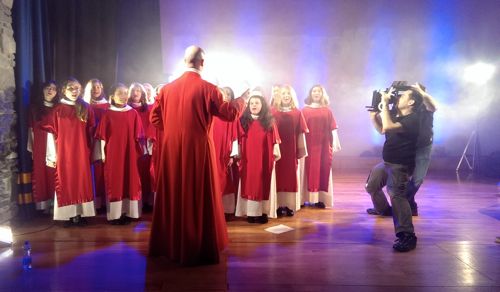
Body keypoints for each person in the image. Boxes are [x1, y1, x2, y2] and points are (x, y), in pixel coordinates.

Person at [148, 45, 247, 265]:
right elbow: (229, 114)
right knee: (199, 193)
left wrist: (175, 128)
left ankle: (172, 245)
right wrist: (242, 99)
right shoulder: (209, 88)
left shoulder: (166, 89)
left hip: (172, 148)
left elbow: (154, 119)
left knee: (174, 192)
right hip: (199, 148)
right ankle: (199, 246)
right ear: (202, 63)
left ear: (184, 61)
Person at [365, 86, 423, 252]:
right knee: (372, 185)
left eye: (403, 96)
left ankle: (407, 235)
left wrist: (384, 102)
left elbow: (389, 126)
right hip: (387, 162)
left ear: (411, 102)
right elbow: (383, 130)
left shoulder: (413, 119)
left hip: (400, 165)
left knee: (397, 195)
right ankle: (383, 210)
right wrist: (373, 116)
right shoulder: (398, 116)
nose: (397, 97)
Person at [43, 78, 96, 226]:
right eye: (71, 88)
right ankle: (68, 215)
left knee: (81, 183)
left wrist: (92, 152)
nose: (74, 91)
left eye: (77, 88)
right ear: (64, 90)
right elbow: (51, 134)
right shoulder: (57, 110)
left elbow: (91, 133)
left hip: (81, 153)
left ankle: (81, 214)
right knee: (66, 182)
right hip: (64, 153)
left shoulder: (86, 108)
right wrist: (52, 155)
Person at [95, 83, 144, 225]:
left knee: (130, 181)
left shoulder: (132, 113)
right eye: (119, 93)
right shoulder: (108, 114)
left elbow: (139, 136)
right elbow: (102, 136)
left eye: (125, 93)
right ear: (112, 96)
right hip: (113, 154)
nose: (123, 96)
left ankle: (130, 212)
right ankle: (115, 215)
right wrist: (102, 155)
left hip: (130, 154)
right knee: (115, 182)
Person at [235, 92, 281, 223]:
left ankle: (263, 212)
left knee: (263, 182)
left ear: (263, 106)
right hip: (247, 159)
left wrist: (275, 153)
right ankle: (250, 212)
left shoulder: (269, 122)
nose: (254, 105)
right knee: (249, 182)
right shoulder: (243, 121)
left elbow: (275, 142)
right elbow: (238, 140)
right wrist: (238, 154)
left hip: (264, 159)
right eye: (251, 103)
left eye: (257, 103)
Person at [300, 85, 341, 208]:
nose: (316, 93)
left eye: (318, 91)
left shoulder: (327, 111)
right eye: (314, 91)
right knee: (306, 170)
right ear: (310, 94)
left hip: (323, 145)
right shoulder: (304, 110)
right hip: (308, 145)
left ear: (322, 94)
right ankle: (303, 198)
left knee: (322, 170)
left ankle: (319, 199)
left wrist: (335, 143)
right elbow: (300, 129)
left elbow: (333, 127)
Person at [272, 85, 308, 217]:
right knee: (278, 177)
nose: (286, 96)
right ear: (279, 96)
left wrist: (300, 151)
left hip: (291, 150)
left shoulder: (297, 113)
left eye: (288, 93)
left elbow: (300, 134)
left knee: (290, 177)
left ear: (292, 96)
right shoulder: (273, 112)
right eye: (283, 94)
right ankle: (276, 205)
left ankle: (288, 205)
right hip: (277, 150)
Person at [405, 83, 437, 216]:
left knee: (418, 178)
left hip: (423, 146)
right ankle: (410, 206)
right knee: (404, 177)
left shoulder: (426, 107)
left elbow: (434, 106)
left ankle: (404, 203)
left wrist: (420, 92)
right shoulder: (409, 107)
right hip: (408, 145)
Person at [27, 81, 58, 211]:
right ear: (42, 90)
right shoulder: (34, 108)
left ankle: (55, 204)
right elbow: (31, 129)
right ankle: (44, 205)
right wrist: (33, 148)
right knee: (42, 174)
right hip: (40, 144)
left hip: (56, 145)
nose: (50, 91)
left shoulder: (58, 108)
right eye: (47, 88)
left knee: (54, 174)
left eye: (53, 89)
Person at [212, 87, 240, 220]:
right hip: (211, 151)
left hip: (224, 152)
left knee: (224, 179)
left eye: (228, 94)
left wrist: (231, 155)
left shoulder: (231, 114)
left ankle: (226, 210)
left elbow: (235, 137)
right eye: (222, 94)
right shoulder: (211, 112)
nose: (225, 96)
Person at [83, 79, 109, 210]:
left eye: (98, 87)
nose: (96, 89)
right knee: (95, 170)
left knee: (106, 169)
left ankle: (106, 201)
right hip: (91, 140)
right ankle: (95, 203)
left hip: (105, 140)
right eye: (93, 87)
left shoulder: (108, 105)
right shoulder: (85, 106)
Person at [128, 82, 154, 209]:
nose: (136, 93)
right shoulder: (126, 108)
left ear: (142, 93)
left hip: (145, 146)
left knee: (145, 174)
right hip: (131, 146)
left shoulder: (148, 109)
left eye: (138, 90)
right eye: (133, 90)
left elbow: (152, 127)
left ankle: (146, 202)